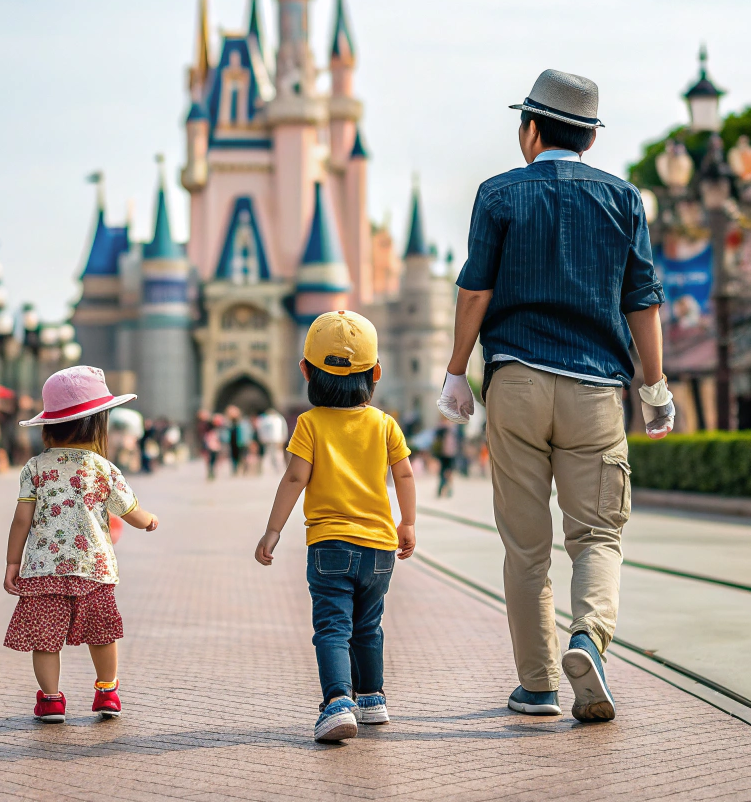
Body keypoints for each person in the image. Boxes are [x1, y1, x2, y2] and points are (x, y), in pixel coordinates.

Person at [438, 69, 674, 723]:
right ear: (591, 138)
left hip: (514, 382)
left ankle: (538, 685)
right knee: (597, 534)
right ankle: (587, 641)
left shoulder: (498, 194)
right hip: (596, 390)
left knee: (526, 544)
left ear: (531, 130)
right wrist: (652, 387)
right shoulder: (625, 199)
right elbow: (642, 300)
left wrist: (458, 371)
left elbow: (475, 291)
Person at [255, 311, 417, 742]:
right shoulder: (385, 424)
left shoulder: (309, 424)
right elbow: (404, 475)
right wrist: (409, 522)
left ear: (306, 370)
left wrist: (273, 531)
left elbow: (294, 478)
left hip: (329, 545)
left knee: (332, 627)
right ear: (376, 373)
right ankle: (372, 699)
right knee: (369, 626)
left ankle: (338, 702)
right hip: (380, 547)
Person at [3, 366, 159, 723]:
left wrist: (13, 563)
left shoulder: (35, 468)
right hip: (94, 568)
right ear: (97, 425)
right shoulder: (101, 467)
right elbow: (130, 511)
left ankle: (51, 700)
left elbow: (21, 520)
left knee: (45, 637)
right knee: (102, 633)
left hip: (44, 569)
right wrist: (150, 520)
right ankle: (107, 692)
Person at [255, 407, 288, 472]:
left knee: (270, 453)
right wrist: (284, 437)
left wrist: (262, 438)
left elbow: (261, 430)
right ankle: (277, 468)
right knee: (276, 453)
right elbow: (284, 429)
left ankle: (269, 468)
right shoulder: (279, 419)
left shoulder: (265, 420)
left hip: (269, 439)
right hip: (277, 439)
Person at [433, 418, 457, 498]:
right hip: (443, 454)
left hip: (451, 454)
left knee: (449, 473)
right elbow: (437, 438)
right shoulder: (442, 428)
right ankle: (441, 490)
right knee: (443, 473)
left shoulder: (453, 429)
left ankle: (448, 491)